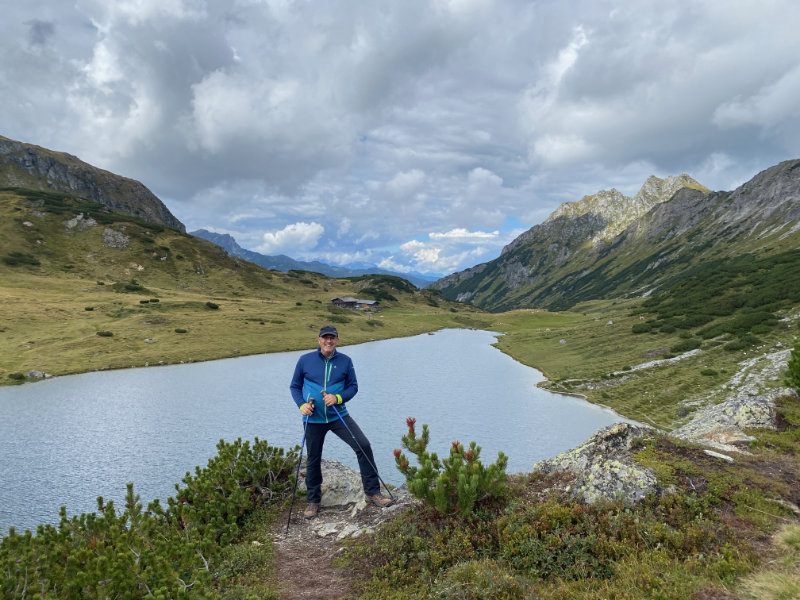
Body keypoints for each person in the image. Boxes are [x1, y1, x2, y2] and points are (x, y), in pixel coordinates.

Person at [290, 325, 393, 519]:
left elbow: (353, 387)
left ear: (337, 340)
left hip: (338, 415)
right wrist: (302, 405)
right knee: (313, 458)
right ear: (319, 340)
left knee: (363, 445)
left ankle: (372, 492)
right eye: (325, 338)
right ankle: (313, 501)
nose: (328, 341)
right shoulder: (305, 360)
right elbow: (295, 386)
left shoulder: (345, 361)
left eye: (332, 338)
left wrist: (337, 398)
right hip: (313, 418)